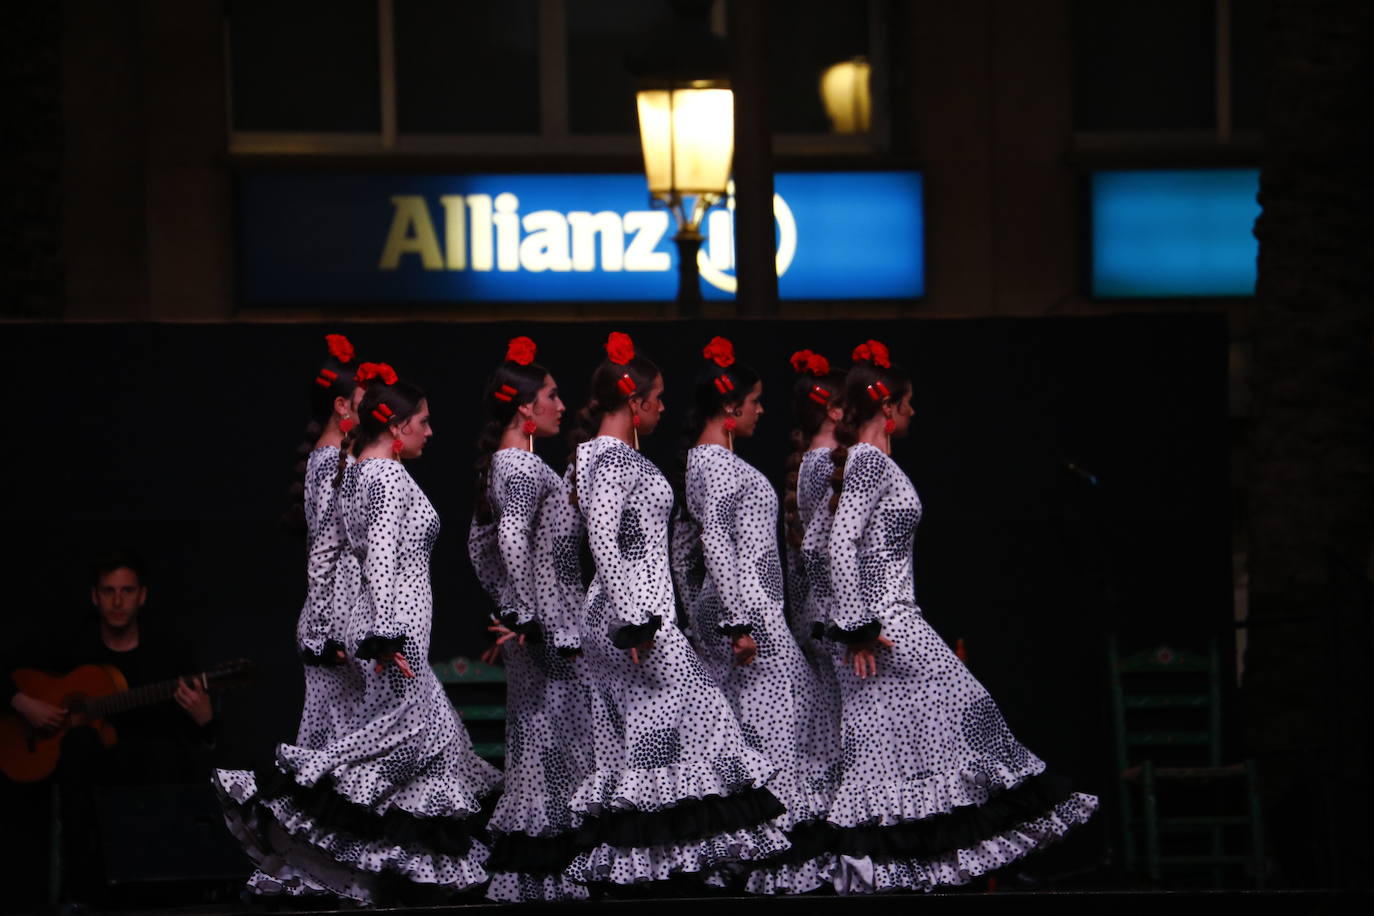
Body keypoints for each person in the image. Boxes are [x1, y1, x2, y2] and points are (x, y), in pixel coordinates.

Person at [213, 373, 501, 905]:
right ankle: (304, 790)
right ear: (395, 427)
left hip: (381, 628)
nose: (431, 432)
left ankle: (366, 872)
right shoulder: (385, 478)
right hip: (395, 631)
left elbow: (326, 553)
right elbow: (382, 560)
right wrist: (385, 633)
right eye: (423, 422)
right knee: (416, 739)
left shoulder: (356, 474)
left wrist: (330, 627)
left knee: (428, 746)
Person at [823, 340, 1098, 893]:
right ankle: (901, 871)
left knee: (881, 759)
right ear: (889, 407)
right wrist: (858, 627)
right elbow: (838, 544)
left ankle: (888, 877)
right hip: (889, 627)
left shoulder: (873, 461)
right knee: (971, 717)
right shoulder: (870, 461)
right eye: (909, 402)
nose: (914, 412)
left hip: (886, 624)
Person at [564, 331, 789, 887]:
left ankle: (648, 872)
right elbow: (601, 538)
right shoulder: (610, 458)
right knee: (704, 730)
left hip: (629, 615)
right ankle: (660, 873)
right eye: (657, 396)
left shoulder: (603, 457)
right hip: (634, 618)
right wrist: (635, 617)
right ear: (634, 402)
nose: (665, 406)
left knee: (648, 745)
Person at [670, 336, 829, 894]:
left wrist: (710, 614)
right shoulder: (709, 464)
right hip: (748, 619)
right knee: (770, 731)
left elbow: (689, 549)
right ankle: (767, 861)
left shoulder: (713, 462)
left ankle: (759, 856)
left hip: (751, 612)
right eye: (755, 400)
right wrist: (734, 622)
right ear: (731, 407)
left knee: (781, 725)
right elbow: (709, 541)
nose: (763, 409)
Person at [468, 336, 595, 902]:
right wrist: (526, 614)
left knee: (553, 745)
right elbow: (508, 539)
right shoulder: (517, 465)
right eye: (550, 395)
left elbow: (479, 546)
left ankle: (546, 877)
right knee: (550, 746)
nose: (561, 405)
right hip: (551, 633)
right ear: (524, 407)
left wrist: (516, 606)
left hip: (554, 626)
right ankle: (544, 878)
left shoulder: (517, 465)